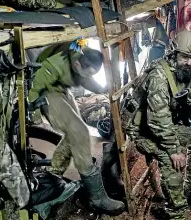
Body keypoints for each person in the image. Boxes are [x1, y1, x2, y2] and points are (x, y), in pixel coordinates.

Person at [27, 41, 126, 215]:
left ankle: (54, 172)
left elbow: (86, 78)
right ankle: (97, 198)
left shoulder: (81, 55)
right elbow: (34, 87)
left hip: (62, 88)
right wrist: (33, 115)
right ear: (77, 64)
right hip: (47, 91)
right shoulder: (53, 65)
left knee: (79, 132)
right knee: (78, 132)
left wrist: (103, 89)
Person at [124, 30, 191, 220]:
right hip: (144, 130)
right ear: (174, 53)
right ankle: (176, 210)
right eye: (185, 56)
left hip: (166, 125)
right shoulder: (159, 77)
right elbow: (157, 121)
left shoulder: (189, 74)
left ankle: (190, 192)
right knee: (171, 161)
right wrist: (173, 150)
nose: (189, 62)